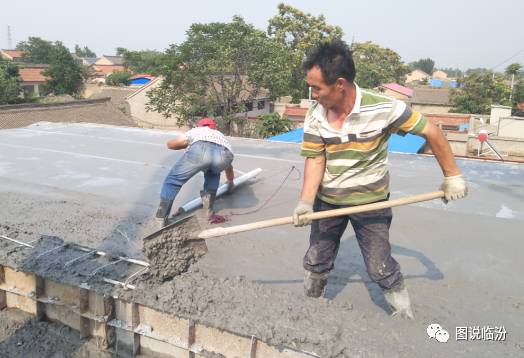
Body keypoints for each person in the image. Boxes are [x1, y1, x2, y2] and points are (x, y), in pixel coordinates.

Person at [293, 40, 467, 319]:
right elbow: (315, 158)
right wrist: (305, 202)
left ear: (339, 84)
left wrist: (453, 176)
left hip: (370, 203)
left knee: (380, 265)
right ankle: (309, 308)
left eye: (317, 88)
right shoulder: (315, 115)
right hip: (328, 201)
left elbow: (432, 132)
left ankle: (403, 312)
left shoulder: (385, 108)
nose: (312, 95)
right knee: (317, 259)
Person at [156, 117, 235, 226]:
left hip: (200, 151)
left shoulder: (197, 131)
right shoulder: (220, 135)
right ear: (214, 127)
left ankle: (161, 219)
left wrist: (186, 144)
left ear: (199, 126)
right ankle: (208, 211)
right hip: (225, 156)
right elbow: (229, 167)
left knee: (173, 181)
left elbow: (172, 144)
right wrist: (230, 182)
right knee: (213, 173)